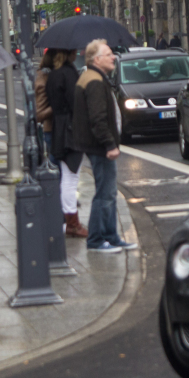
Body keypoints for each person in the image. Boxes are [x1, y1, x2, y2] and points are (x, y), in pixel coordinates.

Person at [72, 40, 138, 253]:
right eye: (108, 54)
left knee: (108, 193)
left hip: (95, 145)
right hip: (98, 146)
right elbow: (98, 119)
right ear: (96, 59)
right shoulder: (95, 82)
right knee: (104, 193)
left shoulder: (95, 77)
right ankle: (97, 240)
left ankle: (111, 237)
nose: (113, 57)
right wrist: (109, 144)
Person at [44, 48, 87, 237]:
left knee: (66, 178)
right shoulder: (69, 74)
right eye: (73, 51)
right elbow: (75, 103)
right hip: (71, 130)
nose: (77, 54)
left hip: (58, 129)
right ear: (68, 54)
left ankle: (65, 221)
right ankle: (72, 222)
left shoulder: (53, 75)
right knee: (71, 179)